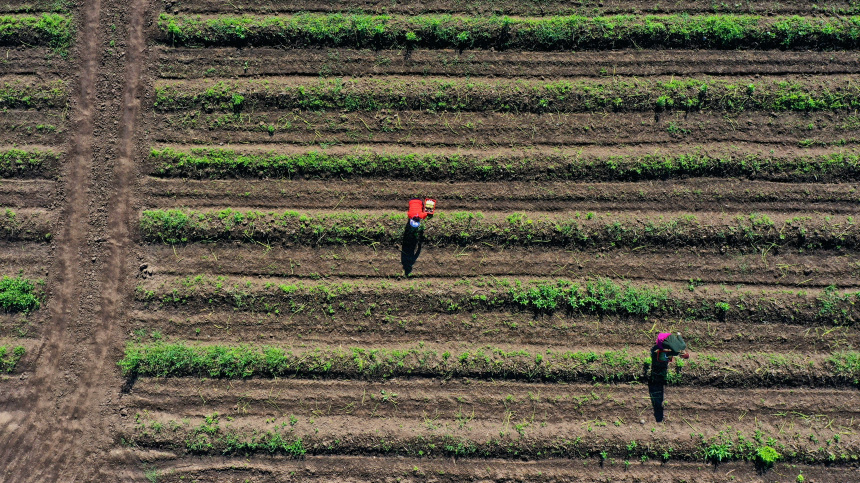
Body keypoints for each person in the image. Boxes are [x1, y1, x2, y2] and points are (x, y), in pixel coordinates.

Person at [648, 332, 690, 422]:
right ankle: (656, 352)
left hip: (666, 334)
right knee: (662, 352)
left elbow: (679, 334)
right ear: (682, 356)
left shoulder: (683, 345)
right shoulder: (675, 353)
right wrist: (666, 357)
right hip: (660, 340)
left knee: (668, 348)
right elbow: (668, 354)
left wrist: (676, 337)